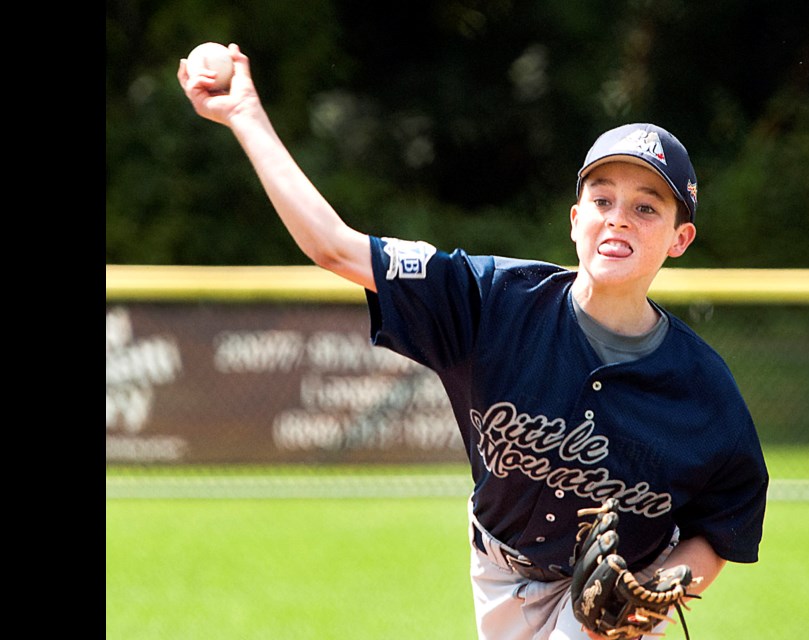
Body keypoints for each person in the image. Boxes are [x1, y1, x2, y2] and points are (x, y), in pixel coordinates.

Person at [178, 43, 768, 640]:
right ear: (574, 219)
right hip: (498, 574)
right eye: (603, 199)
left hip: (613, 609)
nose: (618, 217)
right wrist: (246, 114)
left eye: (647, 207)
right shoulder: (491, 301)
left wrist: (656, 592)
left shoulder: (703, 391)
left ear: (679, 238)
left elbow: (722, 526)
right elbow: (332, 245)